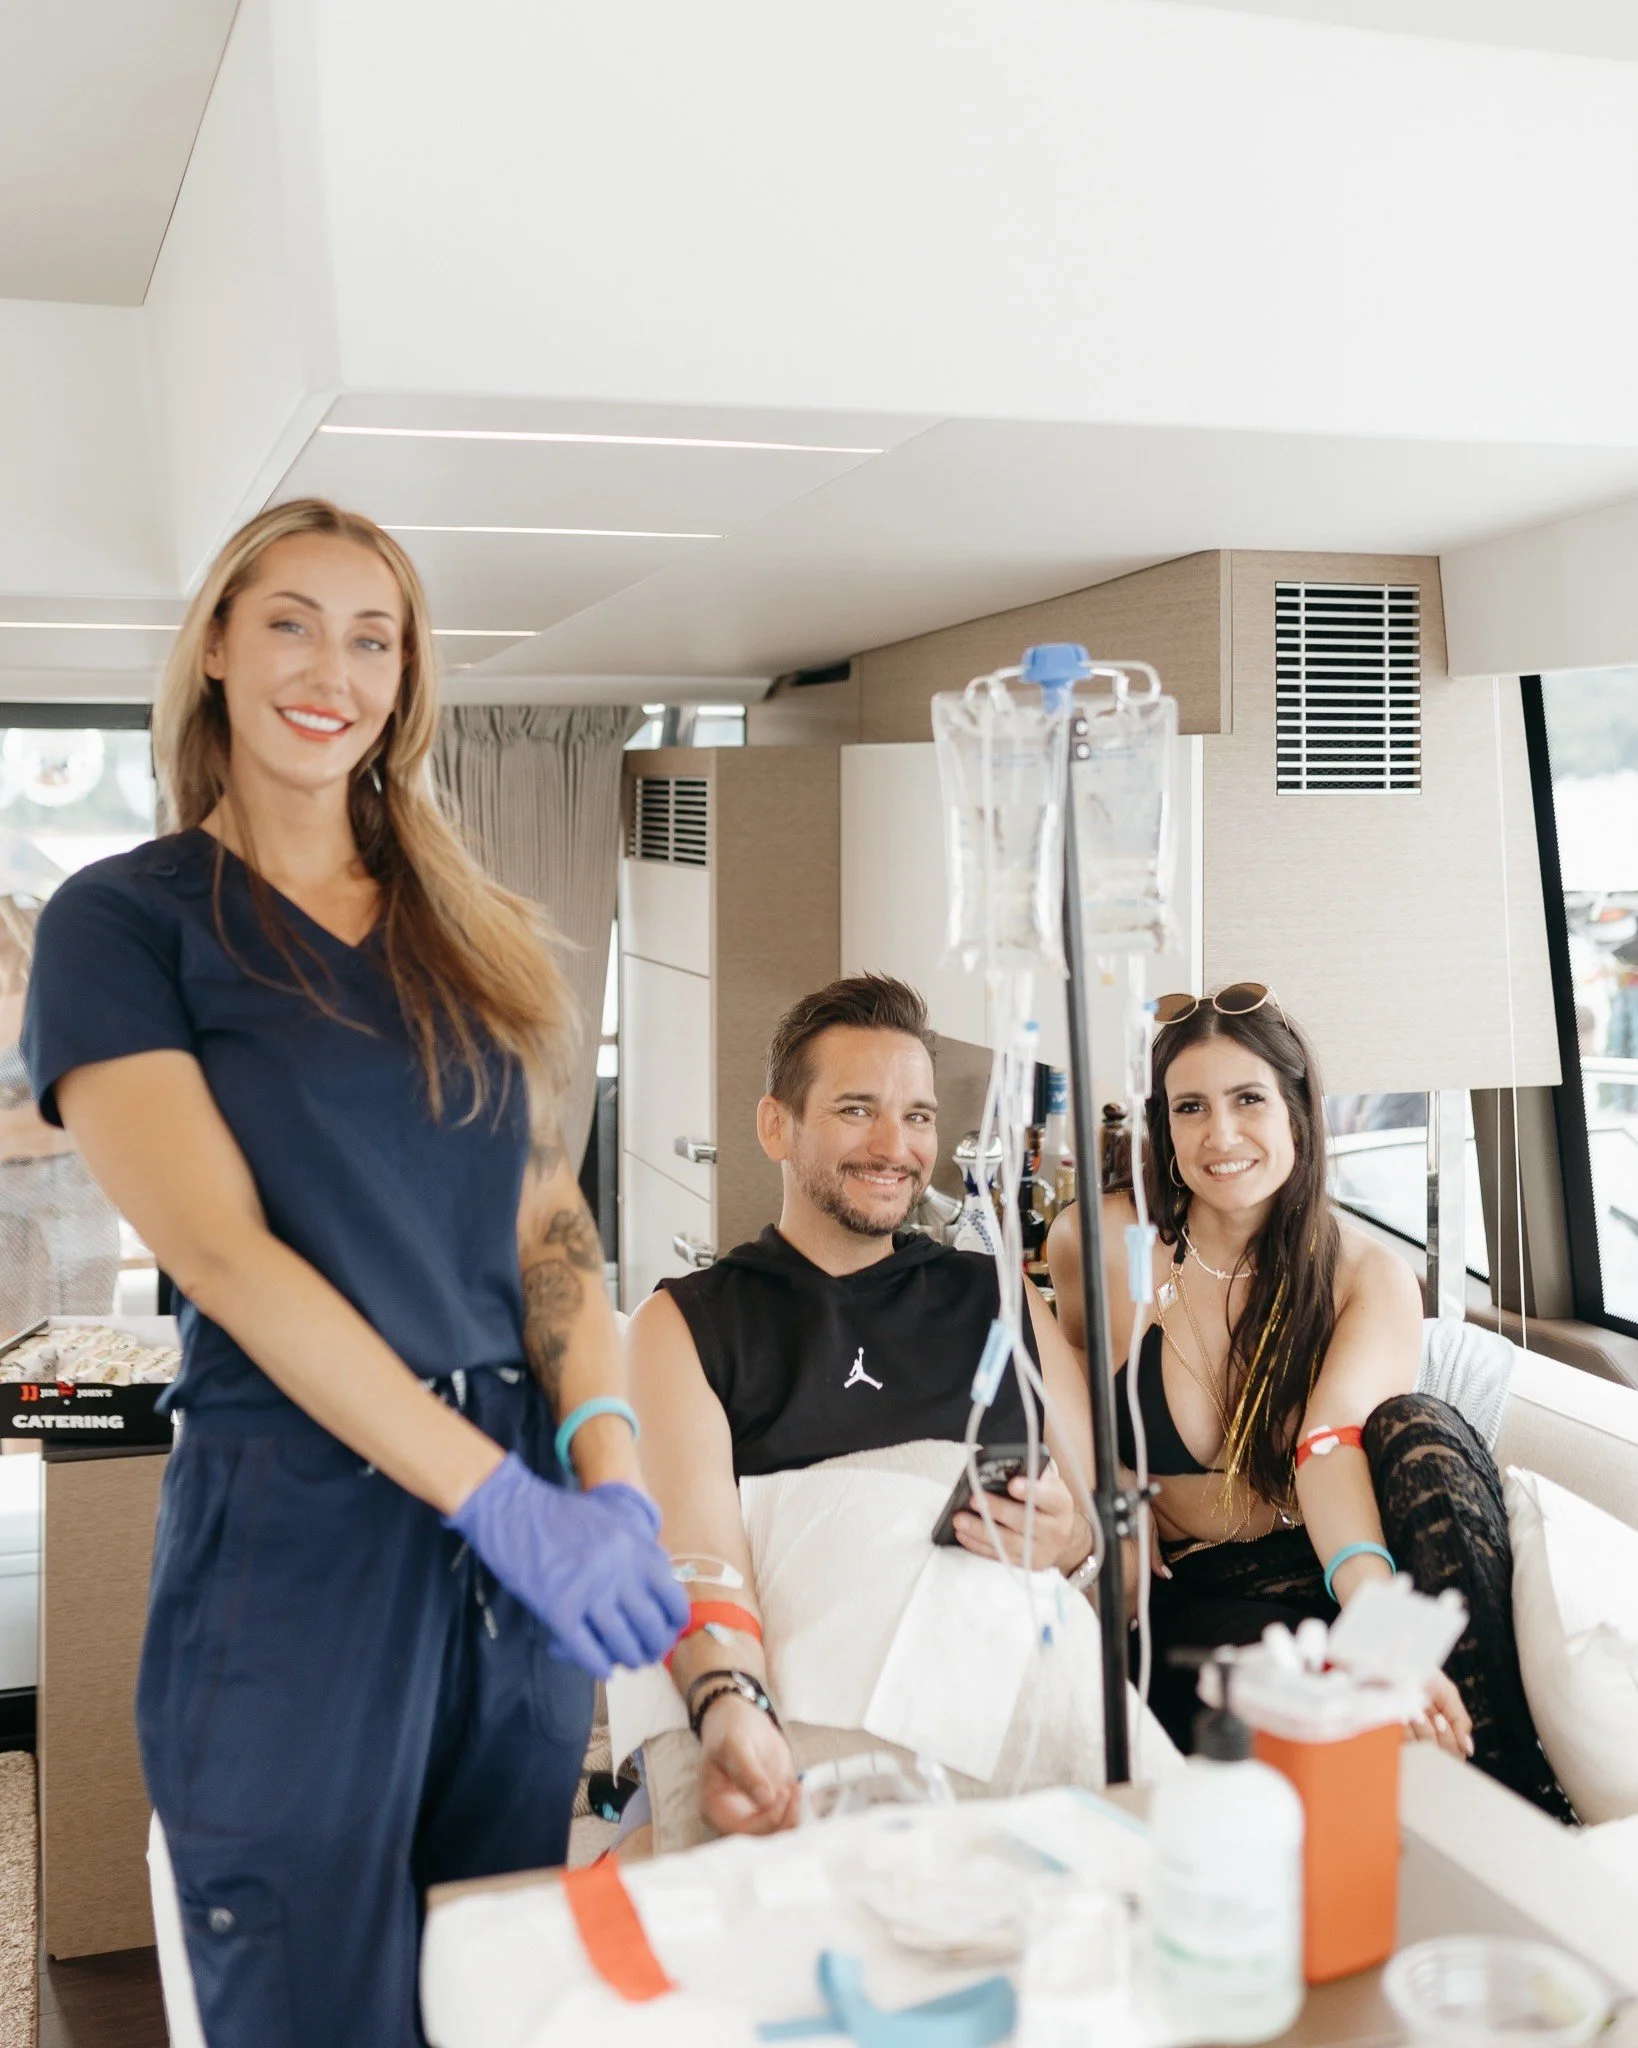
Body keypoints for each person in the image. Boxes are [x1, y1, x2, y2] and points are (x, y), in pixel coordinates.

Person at [21, 498, 687, 2046]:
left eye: (373, 636)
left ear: (408, 680)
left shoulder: (475, 935)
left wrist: (606, 1465)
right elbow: (218, 1253)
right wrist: (495, 1498)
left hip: (509, 1550)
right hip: (299, 1534)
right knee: (316, 2008)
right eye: (290, 622)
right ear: (215, 656)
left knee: (490, 1990)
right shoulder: (124, 924)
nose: (334, 667)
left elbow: (550, 1230)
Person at [1046, 982, 1572, 1819]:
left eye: (1248, 1099)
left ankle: (1514, 1803)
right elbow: (1071, 1404)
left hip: (1349, 1558)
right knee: (1305, 1708)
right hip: (1204, 1593)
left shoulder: (1365, 1275)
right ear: (1163, 1127)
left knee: (1418, 1425)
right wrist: (1115, 1488)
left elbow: (1328, 1449)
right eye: (1191, 1107)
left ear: (1298, 1111)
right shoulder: (1100, 1244)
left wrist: (1373, 1617)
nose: (1221, 1135)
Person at [626, 974, 1100, 1839]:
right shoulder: (687, 1324)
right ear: (777, 1124)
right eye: (856, 1110)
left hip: (1011, 1717)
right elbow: (696, 1560)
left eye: (918, 1116)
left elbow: (1101, 1531)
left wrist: (1067, 1542)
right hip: (817, 1731)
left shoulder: (998, 1298)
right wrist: (731, 1703)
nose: (896, 1145)